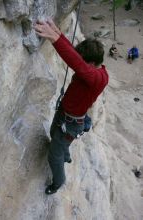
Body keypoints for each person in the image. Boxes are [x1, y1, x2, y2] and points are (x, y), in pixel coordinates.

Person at [34, 19, 109, 195]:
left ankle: (59, 182)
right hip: (65, 115)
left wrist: (55, 39)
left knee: (54, 156)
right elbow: (77, 58)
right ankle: (65, 153)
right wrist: (58, 33)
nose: (80, 66)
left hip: (71, 123)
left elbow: (76, 63)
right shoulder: (93, 70)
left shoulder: (97, 78)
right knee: (54, 135)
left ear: (90, 64)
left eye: (84, 63)